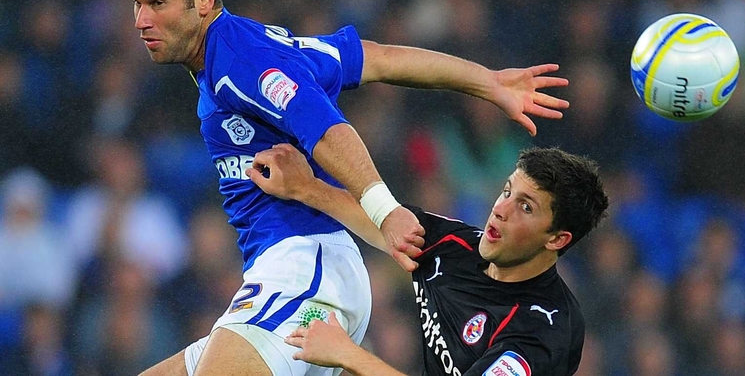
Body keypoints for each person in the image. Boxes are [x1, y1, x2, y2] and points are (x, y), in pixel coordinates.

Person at [125, 0, 569, 376]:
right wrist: (487, 81)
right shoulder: (261, 47)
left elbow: (327, 130)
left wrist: (384, 210)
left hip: (305, 268)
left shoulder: (241, 62)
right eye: (136, 3)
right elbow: (379, 59)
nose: (142, 20)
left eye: (157, 2)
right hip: (294, 272)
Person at [247, 144, 609, 376]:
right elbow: (383, 223)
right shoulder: (456, 245)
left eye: (525, 207)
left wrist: (347, 355)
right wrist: (304, 187)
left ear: (556, 239)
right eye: (507, 192)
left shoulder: (543, 332)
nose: (500, 210)